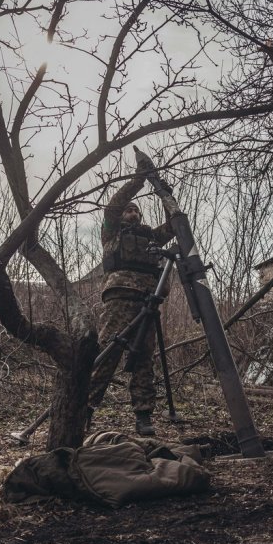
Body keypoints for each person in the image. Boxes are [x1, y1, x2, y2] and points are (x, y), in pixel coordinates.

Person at [88, 172, 173, 436]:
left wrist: (166, 196)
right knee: (107, 353)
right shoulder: (111, 232)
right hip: (119, 298)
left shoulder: (151, 238)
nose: (132, 213)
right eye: (128, 210)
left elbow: (174, 225)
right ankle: (84, 409)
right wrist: (139, 180)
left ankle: (144, 416)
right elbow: (113, 205)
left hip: (148, 301)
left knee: (143, 359)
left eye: (136, 210)